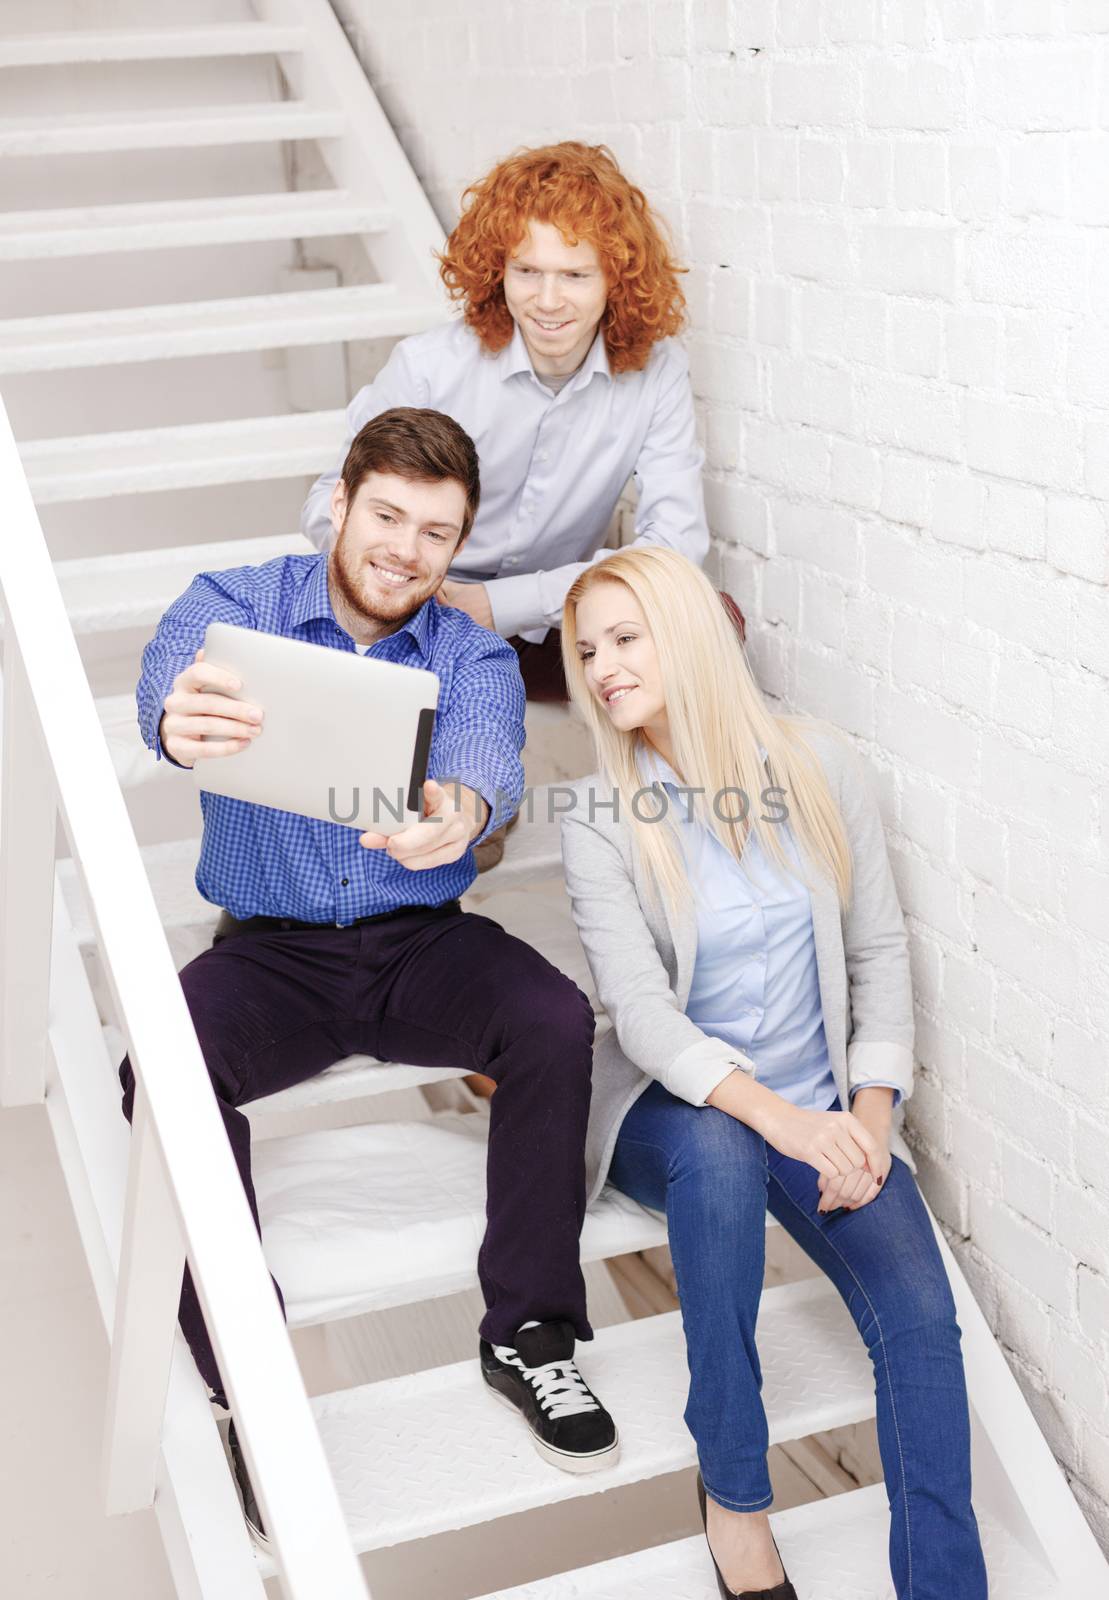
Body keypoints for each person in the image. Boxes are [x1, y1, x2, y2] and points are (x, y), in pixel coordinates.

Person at [120, 407, 619, 1541]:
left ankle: (530, 1333)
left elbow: (486, 753)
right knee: (161, 1066)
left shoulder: (470, 652)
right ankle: (249, 1374)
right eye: (387, 515)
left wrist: (464, 811)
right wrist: (172, 718)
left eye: (435, 533)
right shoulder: (232, 605)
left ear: (457, 547)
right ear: (340, 504)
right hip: (271, 951)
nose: (405, 548)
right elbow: (166, 679)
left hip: (417, 943)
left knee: (552, 1018)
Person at [558, 548, 988, 1600]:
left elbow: (877, 955)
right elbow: (643, 1017)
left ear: (686, 630)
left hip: (821, 1106)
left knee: (920, 1324)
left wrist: (867, 1119)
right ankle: (735, 1498)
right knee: (716, 1151)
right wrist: (784, 1125)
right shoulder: (596, 815)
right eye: (582, 652)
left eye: (623, 637)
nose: (601, 668)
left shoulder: (820, 765)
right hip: (682, 1107)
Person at [300, 141, 711, 703]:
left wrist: (504, 603)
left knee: (711, 624)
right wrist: (418, 579)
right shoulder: (429, 367)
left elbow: (675, 549)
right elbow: (329, 502)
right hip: (424, 614)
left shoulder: (657, 374)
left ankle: (658, 790)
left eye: (574, 275)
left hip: (560, 627)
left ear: (615, 279)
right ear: (499, 270)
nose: (548, 301)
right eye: (527, 270)